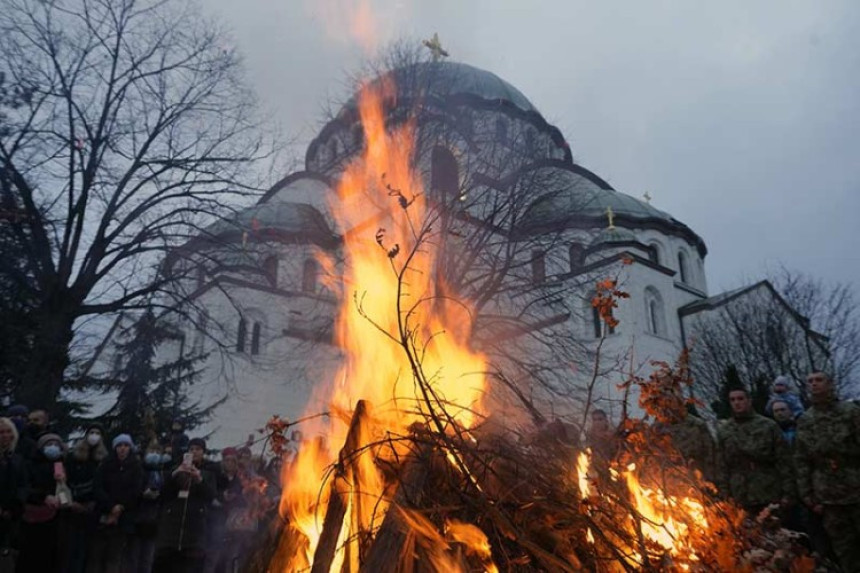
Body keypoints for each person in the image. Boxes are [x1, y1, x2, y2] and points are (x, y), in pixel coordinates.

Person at [794, 372, 860, 571]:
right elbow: (802, 460)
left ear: (830, 384)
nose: (814, 384)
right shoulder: (806, 420)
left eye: (819, 380)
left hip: (855, 486)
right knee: (843, 548)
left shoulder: (850, 412)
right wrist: (808, 496)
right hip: (827, 496)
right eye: (810, 381)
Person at [716, 387, 794, 515]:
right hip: (739, 494)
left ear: (749, 400)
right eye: (732, 400)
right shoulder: (724, 430)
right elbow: (722, 465)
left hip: (768, 491)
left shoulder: (768, 426)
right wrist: (724, 493)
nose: (737, 403)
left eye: (740, 399)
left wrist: (788, 493)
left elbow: (784, 460)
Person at [154, 437, 217, 573]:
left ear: (203, 452)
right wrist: (176, 474)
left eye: (198, 449)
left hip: (194, 531)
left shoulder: (209, 473)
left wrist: (199, 479)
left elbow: (210, 496)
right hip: (171, 530)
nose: (194, 452)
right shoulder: (175, 469)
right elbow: (163, 493)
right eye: (191, 449)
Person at [90, 433, 145, 573]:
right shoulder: (105, 464)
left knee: (115, 557)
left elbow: (136, 491)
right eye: (119, 445)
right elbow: (98, 487)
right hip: (103, 514)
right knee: (96, 556)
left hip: (124, 517)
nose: (122, 448)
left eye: (126, 445)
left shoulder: (136, 467)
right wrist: (111, 506)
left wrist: (120, 507)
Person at [58, 423, 108, 573]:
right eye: (91, 432)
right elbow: (61, 483)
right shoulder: (73, 457)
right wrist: (68, 502)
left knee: (85, 552)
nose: (94, 436)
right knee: (67, 551)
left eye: (97, 433)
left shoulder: (103, 461)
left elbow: (104, 486)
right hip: (70, 510)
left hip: (90, 512)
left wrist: (95, 505)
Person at [18, 432, 66, 571]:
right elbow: (25, 489)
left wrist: (63, 500)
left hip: (53, 518)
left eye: (56, 445)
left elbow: (63, 489)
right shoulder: (29, 465)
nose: (53, 447)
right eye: (49, 444)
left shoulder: (59, 465)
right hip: (31, 517)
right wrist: (44, 497)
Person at [128, 440, 170, 573]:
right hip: (137, 518)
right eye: (152, 451)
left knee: (147, 559)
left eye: (158, 451)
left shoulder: (162, 473)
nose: (155, 454)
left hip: (153, 520)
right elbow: (131, 490)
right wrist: (142, 493)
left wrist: (159, 495)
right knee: (134, 557)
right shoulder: (139, 469)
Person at [0, 417, 27, 567]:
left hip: (10, 517)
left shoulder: (17, 459)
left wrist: (14, 507)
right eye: (1, 432)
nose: (5, 435)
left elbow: (23, 485)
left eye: (8, 431)